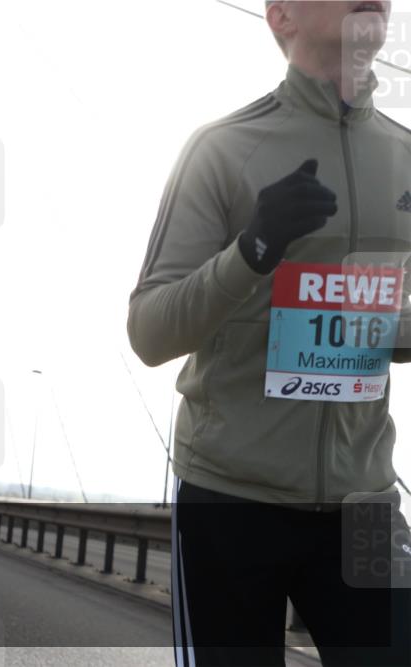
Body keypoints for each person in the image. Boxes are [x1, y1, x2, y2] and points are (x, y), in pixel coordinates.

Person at [127, 2, 410, 665]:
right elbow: (149, 330)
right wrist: (253, 247)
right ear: (281, 16)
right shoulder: (222, 148)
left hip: (363, 505)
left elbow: (394, 329)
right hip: (233, 493)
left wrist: (375, 319)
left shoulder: (405, 156)